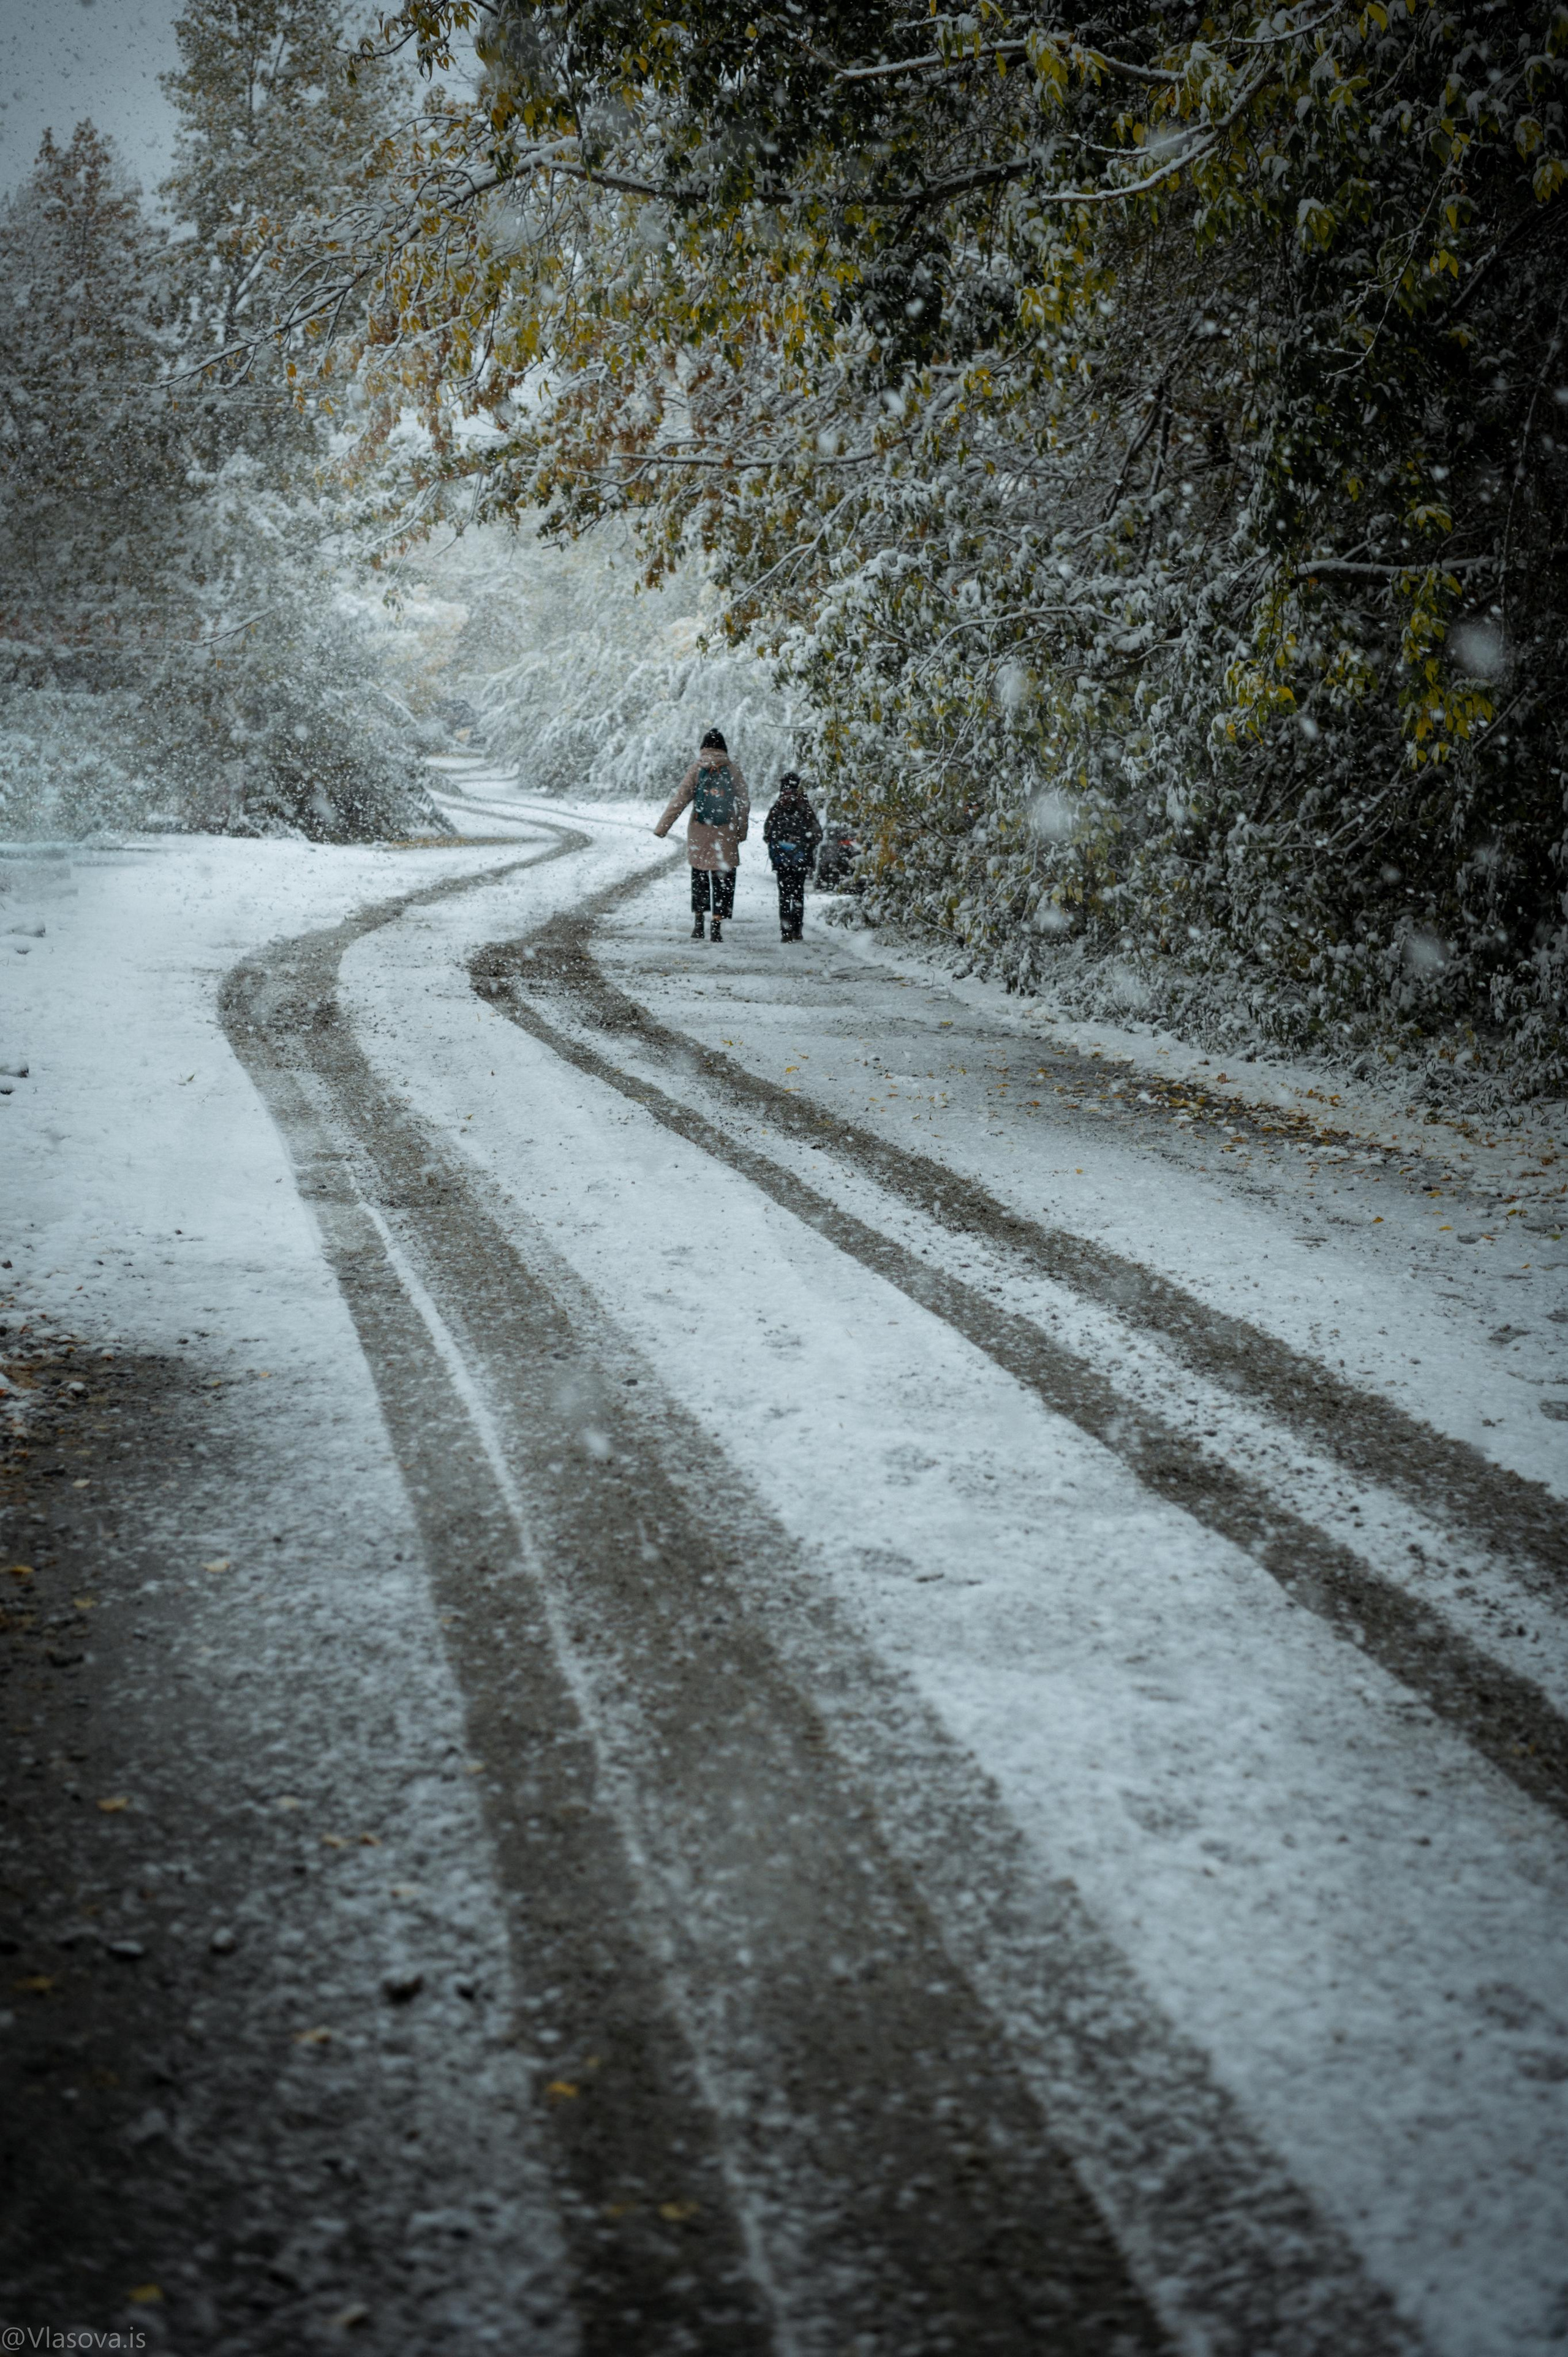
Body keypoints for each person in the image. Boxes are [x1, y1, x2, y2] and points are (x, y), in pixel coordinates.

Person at [654, 728, 750, 942]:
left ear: (703, 747)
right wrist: (741, 832)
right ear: (724, 748)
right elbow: (744, 803)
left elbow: (680, 799)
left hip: (699, 830)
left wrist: (663, 827)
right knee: (723, 878)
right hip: (725, 832)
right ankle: (716, 924)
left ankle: (699, 922)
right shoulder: (732, 770)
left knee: (699, 875)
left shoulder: (697, 769)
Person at [763, 773, 823, 942]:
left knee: (784, 895)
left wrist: (781, 847)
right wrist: (805, 845)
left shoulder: (778, 807)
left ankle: (785, 931)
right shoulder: (804, 806)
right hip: (800, 860)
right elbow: (817, 834)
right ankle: (797, 929)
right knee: (798, 893)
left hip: (781, 860)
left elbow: (767, 833)